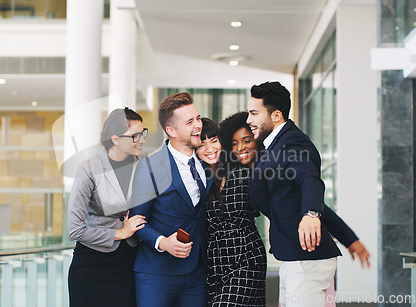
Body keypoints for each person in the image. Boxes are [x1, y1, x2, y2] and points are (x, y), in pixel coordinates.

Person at [246, 81, 371, 307]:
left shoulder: (292, 142)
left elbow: (310, 180)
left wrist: (311, 213)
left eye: (254, 113)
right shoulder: (272, 147)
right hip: (294, 257)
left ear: (276, 115)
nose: (249, 120)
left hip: (305, 258)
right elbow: (297, 199)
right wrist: (349, 238)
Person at [129, 92, 213, 307]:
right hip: (157, 274)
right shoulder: (150, 167)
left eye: (198, 118)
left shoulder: (206, 164)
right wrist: (163, 242)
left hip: (197, 274)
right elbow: (137, 221)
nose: (198, 126)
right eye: (189, 122)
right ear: (171, 131)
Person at [67, 107, 148, 307]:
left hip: (129, 261)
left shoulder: (143, 161)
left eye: (143, 133)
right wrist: (120, 233)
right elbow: (75, 230)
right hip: (92, 265)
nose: (141, 140)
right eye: (134, 136)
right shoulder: (88, 169)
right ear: (115, 139)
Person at [196, 115, 266, 306]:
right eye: (202, 144)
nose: (210, 148)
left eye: (214, 140)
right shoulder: (195, 180)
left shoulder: (243, 172)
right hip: (214, 262)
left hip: (247, 255)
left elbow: (273, 203)